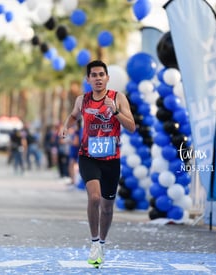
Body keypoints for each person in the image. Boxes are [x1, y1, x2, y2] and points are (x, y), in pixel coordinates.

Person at [60, 60, 136, 267]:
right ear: (88, 80)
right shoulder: (82, 100)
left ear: (107, 78)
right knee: (94, 198)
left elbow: (132, 127)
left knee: (108, 207)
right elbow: (74, 116)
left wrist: (116, 112)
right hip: (88, 156)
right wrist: (66, 126)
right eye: (94, 75)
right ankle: (94, 242)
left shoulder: (118, 98)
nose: (98, 78)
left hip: (111, 160)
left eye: (101, 74)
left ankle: (102, 243)